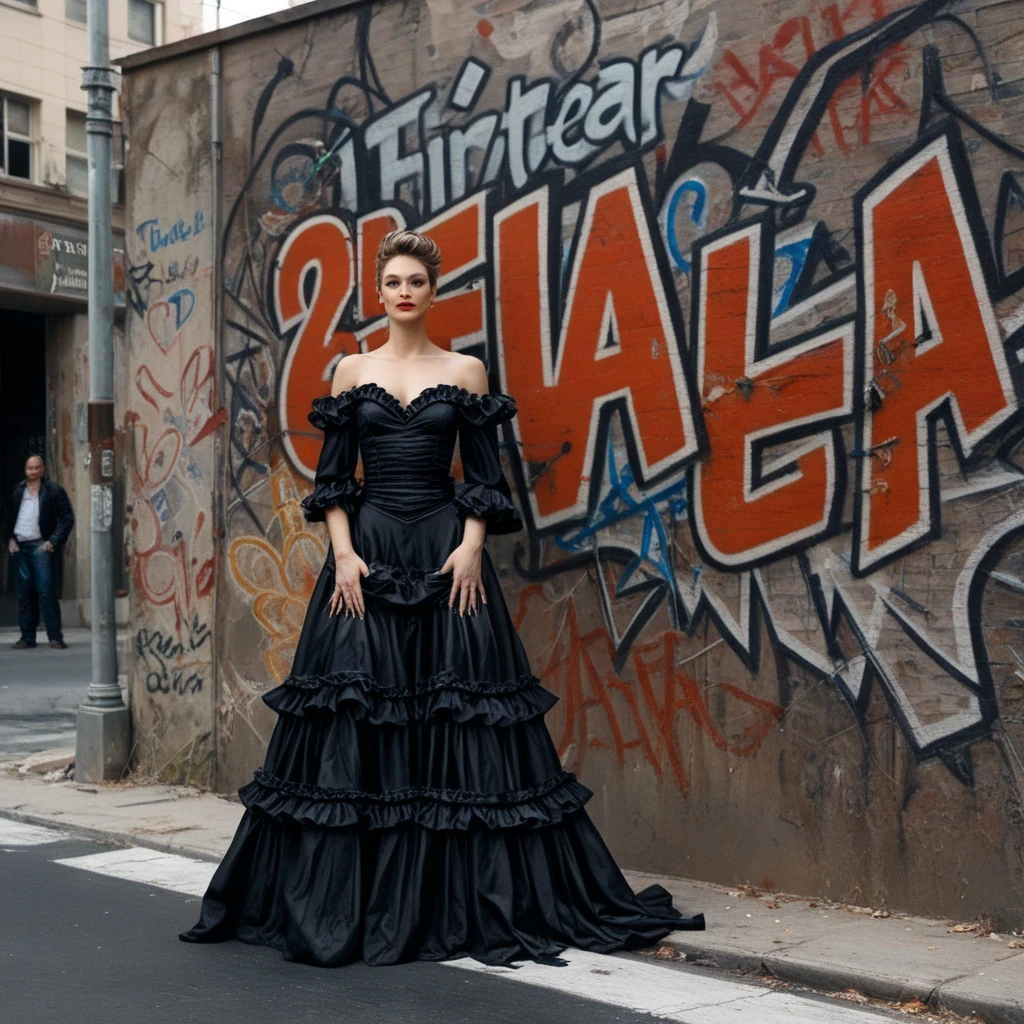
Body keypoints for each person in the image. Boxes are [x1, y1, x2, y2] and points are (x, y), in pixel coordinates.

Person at [179, 230, 704, 966]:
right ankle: (349, 900)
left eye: (415, 282)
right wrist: (345, 555)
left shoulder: (465, 370)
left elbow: (486, 476)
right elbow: (333, 480)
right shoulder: (349, 369)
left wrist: (471, 544)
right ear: (380, 291)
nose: (403, 291)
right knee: (358, 715)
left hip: (445, 554)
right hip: (365, 555)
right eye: (392, 280)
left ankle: (453, 897)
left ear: (432, 291)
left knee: (460, 717)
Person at [5, 455, 74, 650]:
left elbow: (67, 518)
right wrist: (9, 539)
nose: (33, 472)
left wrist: (53, 541)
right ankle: (27, 637)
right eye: (30, 468)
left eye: (36, 468)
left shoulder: (53, 491)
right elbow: (9, 518)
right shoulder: (18, 490)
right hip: (20, 547)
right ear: (25, 470)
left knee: (46, 593)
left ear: (43, 469)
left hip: (41, 547)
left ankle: (55, 637)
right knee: (25, 594)